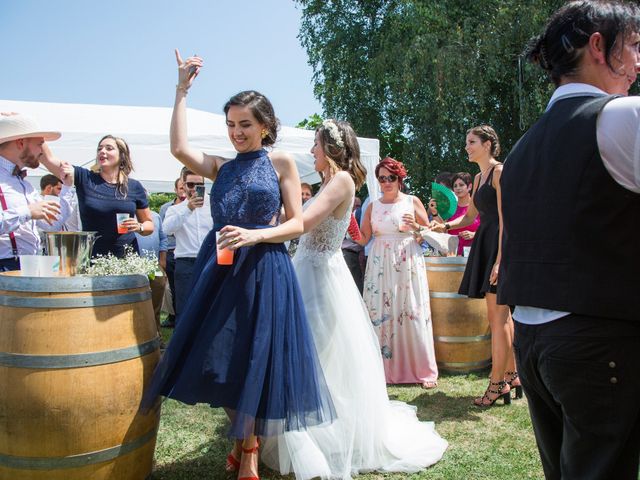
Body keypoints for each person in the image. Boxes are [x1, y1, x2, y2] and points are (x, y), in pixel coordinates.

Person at [141, 50, 335, 480]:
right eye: (230, 125)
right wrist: (181, 90)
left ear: (264, 125)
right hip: (221, 269)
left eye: (245, 124)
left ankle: (248, 447)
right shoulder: (221, 168)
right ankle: (244, 437)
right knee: (218, 357)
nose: (236, 133)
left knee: (254, 358)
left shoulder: (280, 161)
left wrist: (256, 234)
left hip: (265, 268)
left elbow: (298, 224)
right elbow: (178, 147)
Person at [498, 2, 640, 478]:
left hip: (534, 341)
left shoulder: (521, 147)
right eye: (635, 45)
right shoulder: (622, 116)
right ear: (599, 46)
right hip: (598, 339)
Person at [261, 119, 447, 479]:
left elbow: (303, 223)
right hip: (307, 271)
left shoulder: (343, 180)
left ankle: (329, 435)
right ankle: (305, 428)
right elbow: (294, 216)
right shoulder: (324, 182)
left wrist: (260, 232)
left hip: (322, 277)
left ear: (330, 148)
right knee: (309, 353)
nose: (311, 151)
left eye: (315, 145)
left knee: (320, 354)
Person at [432, 126, 520, 406]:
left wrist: (500, 260)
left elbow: (508, 219)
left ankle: (497, 385)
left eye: (471, 142)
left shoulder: (499, 172)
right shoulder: (480, 176)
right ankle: (512, 375)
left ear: (487, 144)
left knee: (499, 319)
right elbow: (470, 215)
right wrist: (444, 225)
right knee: (500, 318)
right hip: (485, 245)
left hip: (498, 247)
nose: (466, 147)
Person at [358, 157, 439, 389]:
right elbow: (364, 238)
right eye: (382, 178)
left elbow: (430, 232)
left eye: (390, 177)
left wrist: (416, 227)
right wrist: (347, 228)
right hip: (379, 262)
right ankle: (380, 370)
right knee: (380, 310)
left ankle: (422, 370)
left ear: (399, 178)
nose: (386, 182)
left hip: (407, 260)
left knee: (410, 310)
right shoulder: (372, 206)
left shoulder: (412, 201)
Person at [41, 135, 155, 257]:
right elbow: (48, 159)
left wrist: (139, 227)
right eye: (99, 149)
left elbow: (149, 224)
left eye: (109, 148)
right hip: (92, 257)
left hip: (127, 258)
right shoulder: (84, 178)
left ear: (122, 155)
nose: (102, 151)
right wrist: (33, 133)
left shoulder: (134, 186)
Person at [0, 113, 74, 271]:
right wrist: (27, 211)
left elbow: (52, 224)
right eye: (40, 144)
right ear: (20, 143)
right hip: (5, 266)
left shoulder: (25, 184)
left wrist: (67, 187)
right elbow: (29, 213)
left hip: (30, 264)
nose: (42, 151)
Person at [162, 168, 212, 326]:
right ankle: (183, 349)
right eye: (191, 184)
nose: (195, 189)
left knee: (210, 307)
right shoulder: (175, 209)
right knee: (184, 309)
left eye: (200, 185)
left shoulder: (214, 205)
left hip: (210, 260)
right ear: (182, 185)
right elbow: (166, 229)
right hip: (186, 262)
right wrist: (188, 208)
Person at [135, 198, 168, 333]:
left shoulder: (155, 216)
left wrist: (162, 259)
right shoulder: (127, 216)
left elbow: (163, 238)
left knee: (157, 297)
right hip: (134, 266)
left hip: (154, 265)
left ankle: (156, 335)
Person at [159, 177, 185, 327]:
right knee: (172, 287)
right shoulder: (166, 208)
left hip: (185, 253)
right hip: (170, 251)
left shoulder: (195, 207)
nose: (183, 190)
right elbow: (164, 232)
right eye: (181, 188)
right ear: (175, 190)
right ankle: (173, 316)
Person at [447, 172, 480, 256]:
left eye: (461, 185)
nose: (458, 188)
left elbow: (489, 228)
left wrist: (474, 234)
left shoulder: (479, 207)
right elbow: (442, 229)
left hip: (475, 254)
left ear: (470, 187)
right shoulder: (449, 209)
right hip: (452, 256)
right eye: (455, 186)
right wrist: (435, 214)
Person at [341, 196, 364, 293]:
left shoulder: (355, 215)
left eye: (358, 205)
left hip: (354, 253)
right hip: (348, 253)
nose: (356, 207)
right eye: (354, 204)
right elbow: (356, 237)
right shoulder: (346, 215)